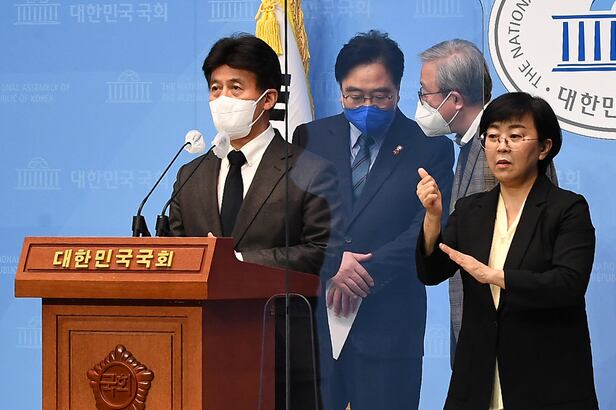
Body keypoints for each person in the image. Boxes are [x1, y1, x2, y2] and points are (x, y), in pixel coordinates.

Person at [169, 34, 343, 409]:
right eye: (215, 88)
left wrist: (237, 263)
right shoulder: (190, 175)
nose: (222, 99)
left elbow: (323, 254)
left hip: (283, 353)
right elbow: (177, 253)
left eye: (236, 87)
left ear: (267, 98)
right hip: (201, 351)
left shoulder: (310, 170)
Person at [294, 30, 454, 409]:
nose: (367, 105)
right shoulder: (309, 139)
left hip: (390, 324)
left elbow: (427, 227)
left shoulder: (430, 146)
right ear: (340, 91)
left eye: (380, 96)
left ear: (398, 90)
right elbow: (292, 218)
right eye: (355, 96)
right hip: (315, 324)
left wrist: (362, 274)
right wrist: (333, 263)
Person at [416, 92, 597, 409]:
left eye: (515, 136)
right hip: (477, 377)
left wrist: (496, 277)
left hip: (546, 380)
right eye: (493, 137)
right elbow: (431, 272)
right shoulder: (470, 210)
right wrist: (432, 217)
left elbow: (568, 285)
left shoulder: (567, 209)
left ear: (544, 147)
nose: (501, 146)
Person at [416, 39, 558, 359]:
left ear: (454, 100)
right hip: (478, 331)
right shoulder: (472, 145)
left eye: (425, 93)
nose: (421, 101)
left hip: (508, 339)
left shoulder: (501, 153)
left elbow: (525, 250)